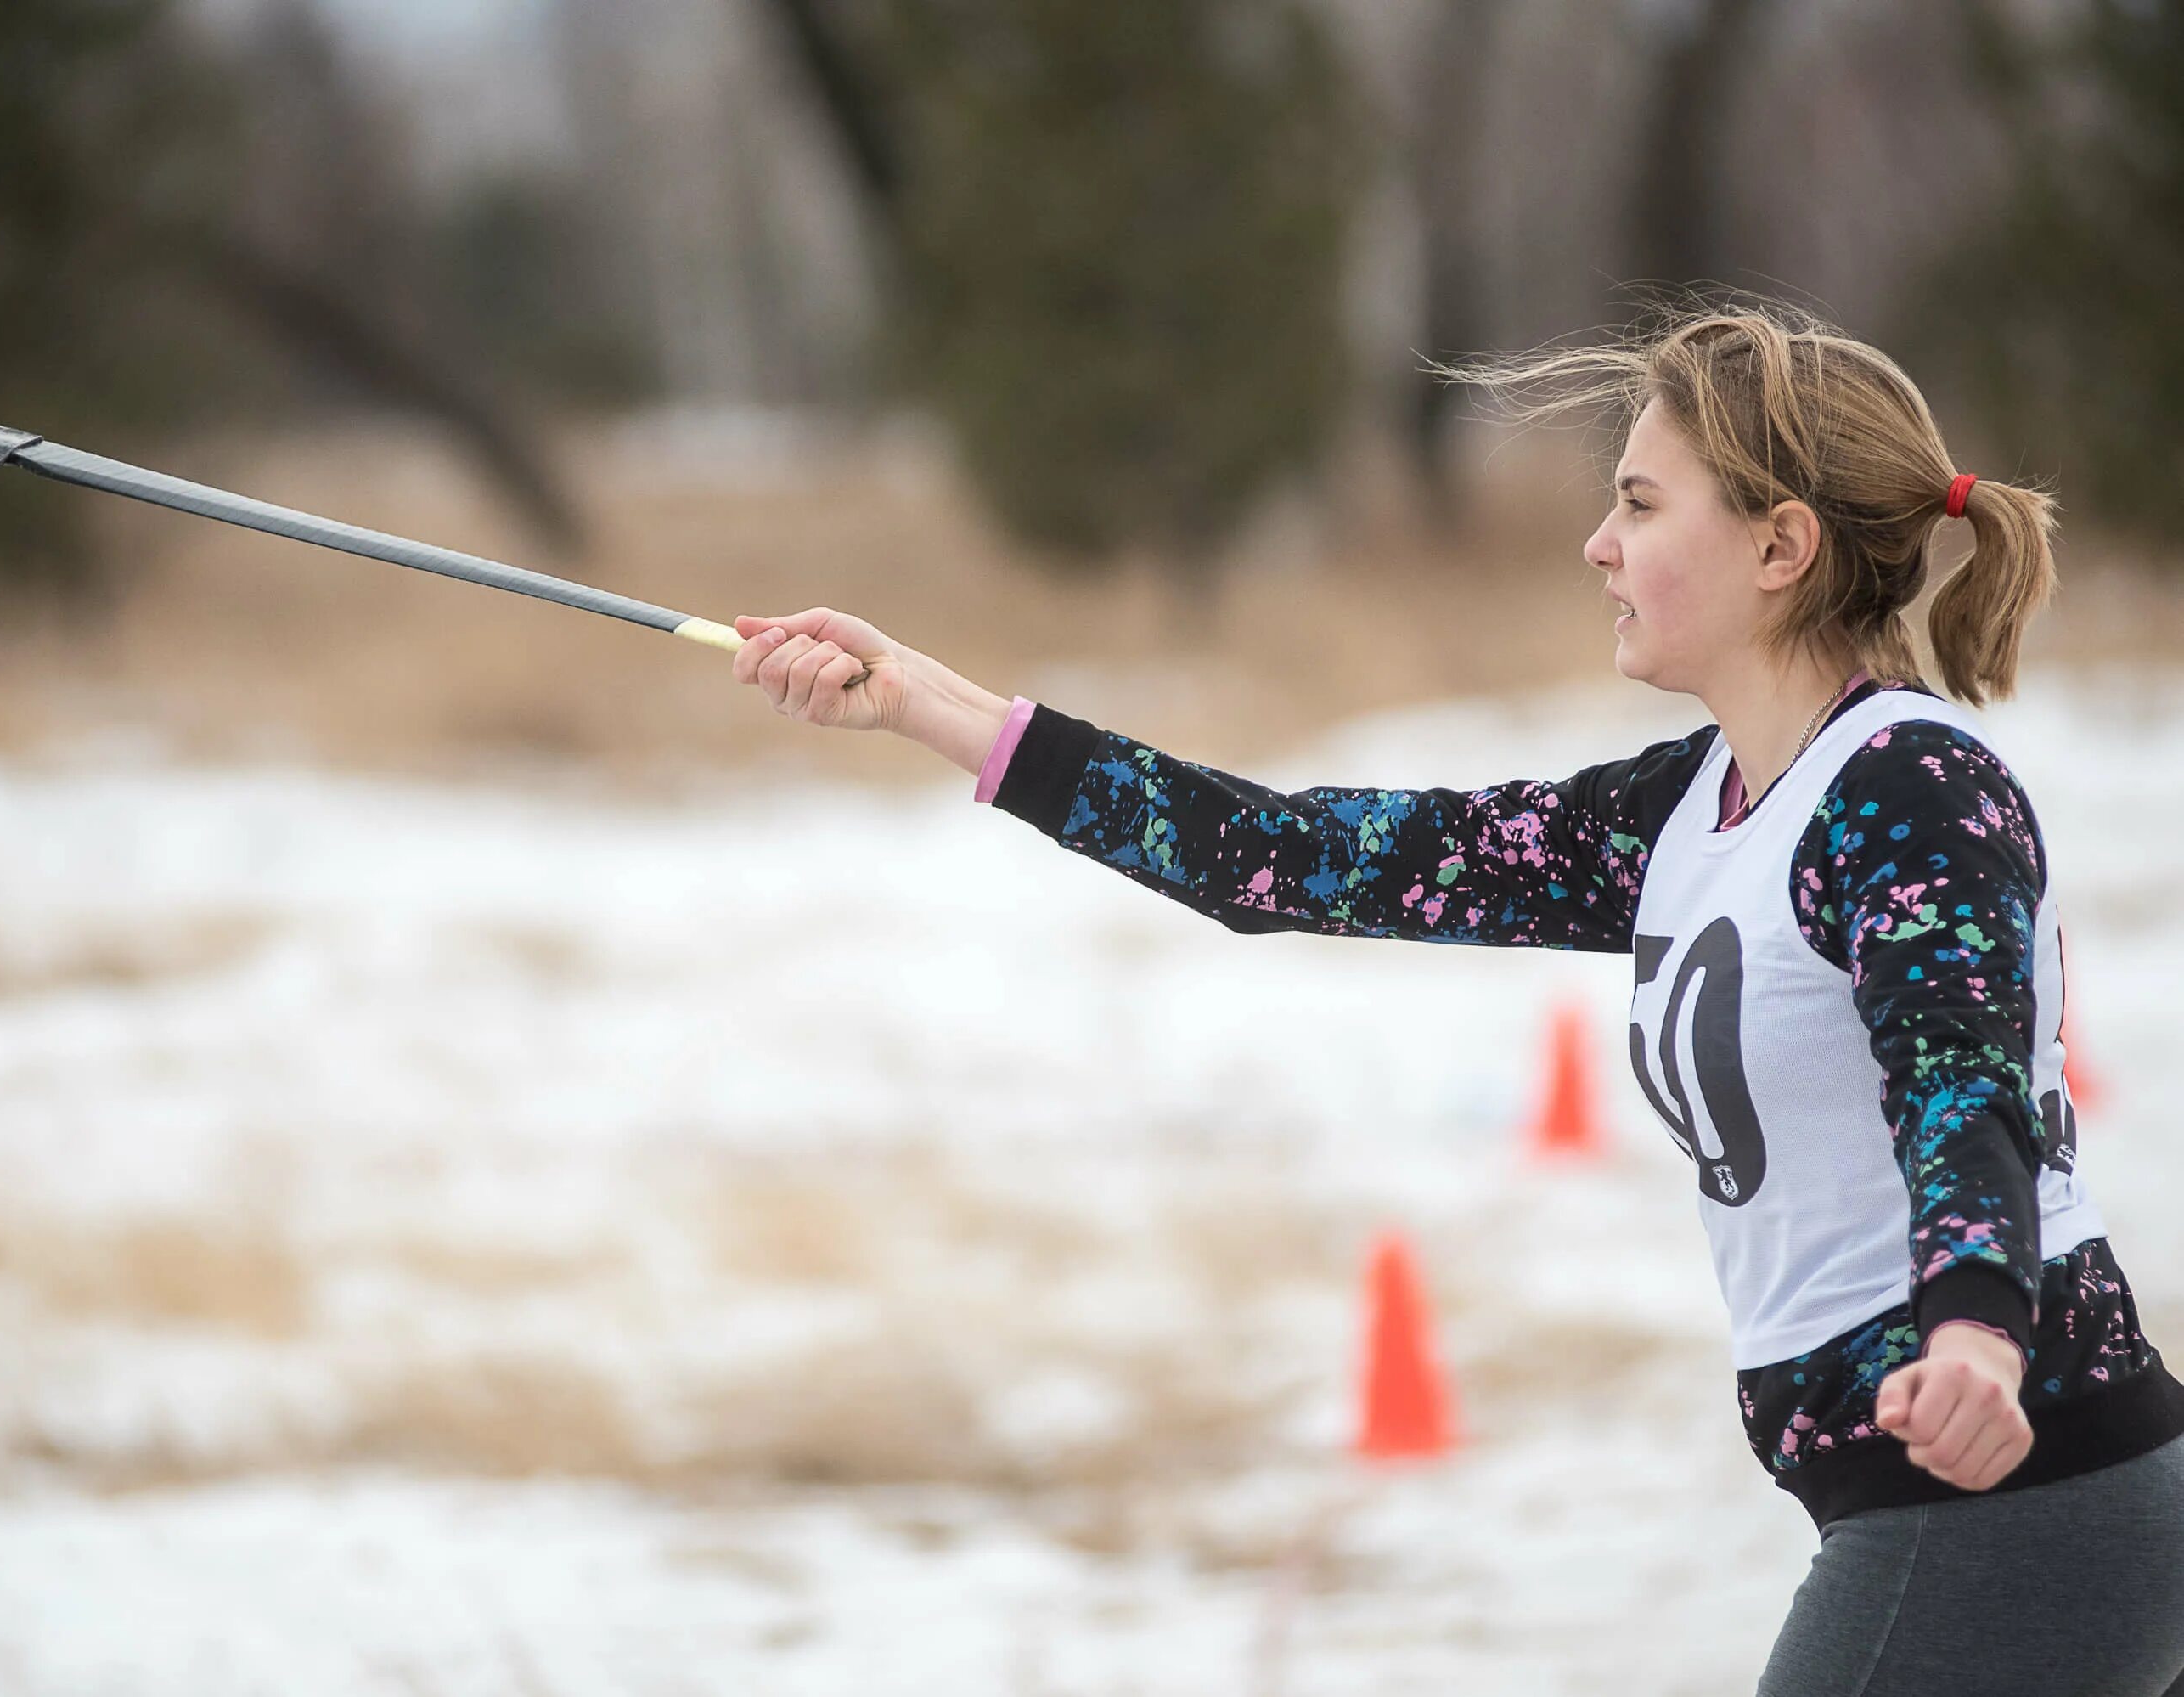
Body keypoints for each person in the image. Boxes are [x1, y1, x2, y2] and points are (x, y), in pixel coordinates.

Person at [726, 302, 2184, 1694]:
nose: (1597, 543)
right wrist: (925, 699)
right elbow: (1282, 857)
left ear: (1779, 545)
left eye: (1641, 502)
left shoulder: (1910, 790)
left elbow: (1962, 1079)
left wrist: (1982, 1326)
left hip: (2020, 1493)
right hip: (1933, 1498)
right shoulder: (1698, 807)